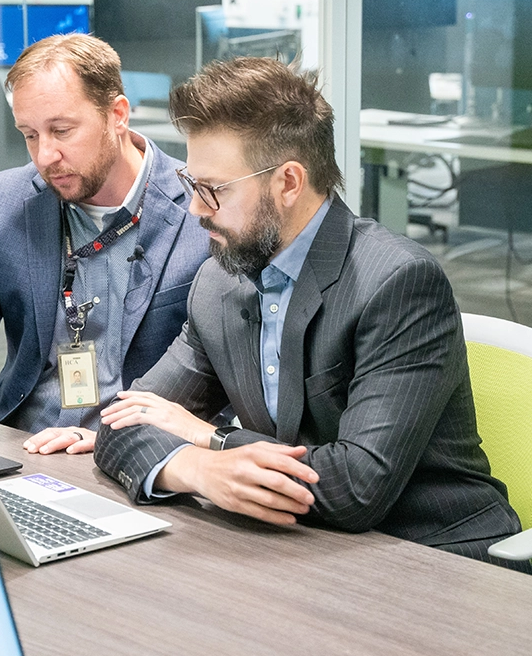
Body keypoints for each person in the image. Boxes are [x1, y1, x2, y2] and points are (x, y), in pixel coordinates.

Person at [94, 56, 530, 571]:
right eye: (193, 185)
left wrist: (207, 436)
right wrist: (196, 471)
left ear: (289, 182)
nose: (196, 210)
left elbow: (355, 490)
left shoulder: (396, 283)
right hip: (303, 552)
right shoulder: (219, 282)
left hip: (434, 557)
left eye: (215, 189)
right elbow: (121, 423)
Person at [0, 34, 208, 455]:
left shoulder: (202, 210)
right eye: (29, 135)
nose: (45, 155)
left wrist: (120, 443)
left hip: (133, 453)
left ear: (117, 115)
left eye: (61, 131)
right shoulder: (6, 200)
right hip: (19, 441)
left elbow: (223, 377)